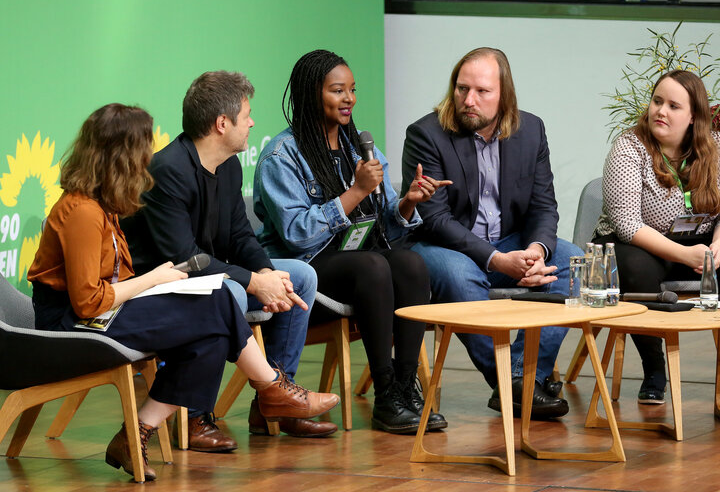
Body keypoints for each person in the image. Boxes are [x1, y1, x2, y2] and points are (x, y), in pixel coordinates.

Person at [26, 103, 339, 481]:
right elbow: (87, 301)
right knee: (219, 305)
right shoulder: (81, 211)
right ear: (123, 155)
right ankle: (271, 387)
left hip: (103, 310)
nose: (148, 157)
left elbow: (107, 286)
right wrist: (154, 279)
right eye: (143, 147)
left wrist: (155, 283)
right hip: (70, 322)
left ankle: (136, 434)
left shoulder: (101, 204)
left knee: (210, 325)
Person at [121, 71, 333, 443]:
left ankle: (277, 400)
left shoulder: (230, 165)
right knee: (230, 294)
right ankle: (196, 415)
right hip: (163, 285)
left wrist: (268, 273)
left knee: (299, 276)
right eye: (246, 114)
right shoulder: (168, 170)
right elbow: (184, 258)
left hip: (208, 275)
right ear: (222, 123)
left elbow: (240, 235)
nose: (252, 122)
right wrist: (253, 282)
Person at [254, 49, 450, 434]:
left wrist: (408, 204)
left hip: (358, 262)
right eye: (338, 91)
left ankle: (405, 387)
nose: (349, 99)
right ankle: (385, 392)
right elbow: (296, 235)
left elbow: (389, 232)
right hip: (307, 268)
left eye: (353, 90)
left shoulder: (361, 149)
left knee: (410, 263)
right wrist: (355, 192)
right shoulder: (282, 155)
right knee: (373, 265)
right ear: (312, 94)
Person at [401, 47, 582, 419]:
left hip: (510, 242)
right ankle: (510, 384)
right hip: (444, 248)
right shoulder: (426, 134)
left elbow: (543, 206)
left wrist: (536, 251)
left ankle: (519, 379)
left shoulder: (531, 130)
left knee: (572, 260)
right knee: (457, 274)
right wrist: (497, 259)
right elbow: (434, 218)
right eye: (461, 88)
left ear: (504, 95)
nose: (469, 100)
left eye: (482, 91)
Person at [594, 69, 720, 407]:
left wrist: (715, 248)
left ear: (693, 117)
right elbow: (627, 223)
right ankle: (654, 372)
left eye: (673, 105)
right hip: (632, 243)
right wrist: (684, 256)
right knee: (637, 267)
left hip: (699, 244)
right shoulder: (630, 147)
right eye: (658, 101)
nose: (661, 111)